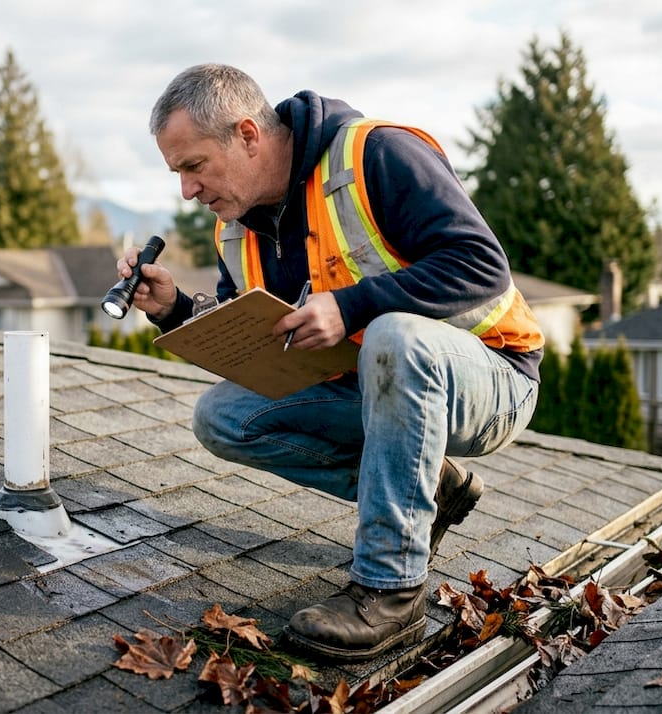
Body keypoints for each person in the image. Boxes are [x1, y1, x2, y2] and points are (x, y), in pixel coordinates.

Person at [116, 63, 544, 662]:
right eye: (177, 173)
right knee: (223, 416)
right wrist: (174, 310)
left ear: (246, 134)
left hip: (495, 378)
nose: (187, 190)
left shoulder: (378, 155)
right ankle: (432, 489)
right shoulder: (234, 229)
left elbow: (482, 265)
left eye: (193, 166)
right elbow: (259, 340)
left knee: (395, 336)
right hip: (377, 392)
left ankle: (391, 591)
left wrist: (351, 307)